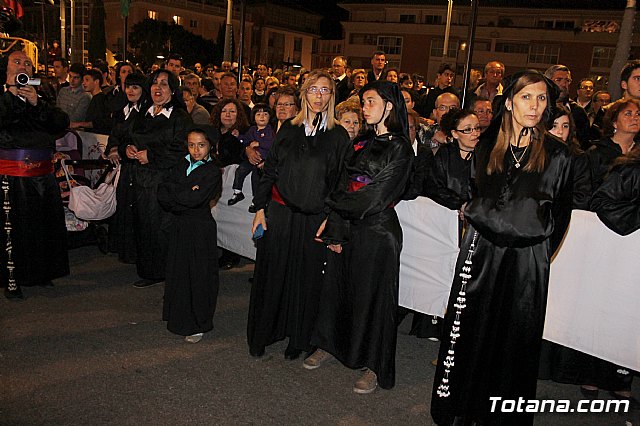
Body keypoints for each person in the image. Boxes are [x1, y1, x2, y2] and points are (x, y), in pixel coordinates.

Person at [430, 70, 573, 425]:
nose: (535, 105)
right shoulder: (486, 146)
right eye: (527, 97)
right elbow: (476, 196)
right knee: (470, 330)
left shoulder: (559, 156)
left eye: (541, 98)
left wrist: (536, 253)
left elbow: (561, 215)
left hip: (528, 259)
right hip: (480, 253)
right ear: (509, 102)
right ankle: (461, 406)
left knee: (516, 338)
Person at [307, 80, 414, 394]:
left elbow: (375, 197)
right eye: (364, 101)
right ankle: (330, 344)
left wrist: (331, 204)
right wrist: (336, 228)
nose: (363, 108)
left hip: (379, 232)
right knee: (336, 288)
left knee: (374, 299)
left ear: (389, 106)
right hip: (349, 227)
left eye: (369, 101)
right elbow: (341, 182)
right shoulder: (362, 141)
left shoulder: (402, 148)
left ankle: (374, 365)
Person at [247, 70, 351, 360]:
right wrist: (259, 209)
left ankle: (299, 339)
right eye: (314, 89)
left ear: (332, 96)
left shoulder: (338, 136)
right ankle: (264, 335)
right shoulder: (287, 130)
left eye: (325, 91)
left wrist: (332, 218)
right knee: (274, 275)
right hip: (280, 214)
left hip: (315, 220)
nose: (319, 96)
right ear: (304, 93)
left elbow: (341, 184)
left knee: (307, 282)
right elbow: (270, 171)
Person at [1, 50, 70, 300]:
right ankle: (12, 279)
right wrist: (11, 95)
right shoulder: (3, 96)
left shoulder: (41, 94)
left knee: (42, 226)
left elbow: (61, 123)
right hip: (11, 176)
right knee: (14, 230)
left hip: (42, 175)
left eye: (27, 64)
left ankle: (40, 273)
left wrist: (36, 103)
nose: (23, 66)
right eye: (17, 62)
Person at [126, 69, 192, 288]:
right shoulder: (145, 111)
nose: (158, 88)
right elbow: (132, 136)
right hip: (142, 177)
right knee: (144, 223)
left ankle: (162, 271)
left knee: (161, 227)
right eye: (155, 83)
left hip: (165, 178)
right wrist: (129, 148)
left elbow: (180, 148)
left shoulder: (180, 117)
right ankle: (147, 268)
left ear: (173, 90)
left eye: (164, 84)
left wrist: (151, 156)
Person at [158, 127, 222, 344]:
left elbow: (195, 200)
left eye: (201, 145)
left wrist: (178, 191)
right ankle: (177, 317)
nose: (196, 150)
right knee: (178, 272)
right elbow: (162, 194)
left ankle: (198, 323)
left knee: (199, 276)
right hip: (179, 226)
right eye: (191, 145)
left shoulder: (212, 170)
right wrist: (186, 190)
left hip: (200, 229)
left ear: (209, 146)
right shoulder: (180, 163)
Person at [104, 72, 149, 265]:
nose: (130, 90)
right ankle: (123, 248)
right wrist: (113, 149)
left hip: (139, 168)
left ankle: (136, 252)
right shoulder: (122, 110)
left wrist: (123, 149)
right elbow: (114, 134)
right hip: (124, 167)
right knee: (123, 206)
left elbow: (139, 139)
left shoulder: (147, 112)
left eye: (135, 87)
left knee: (136, 210)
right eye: (128, 86)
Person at [228, 104, 275, 212]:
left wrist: (259, 143)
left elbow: (272, 144)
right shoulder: (252, 129)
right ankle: (237, 192)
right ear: (253, 117)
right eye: (258, 114)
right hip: (250, 159)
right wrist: (238, 136)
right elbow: (245, 140)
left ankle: (256, 201)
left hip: (262, 160)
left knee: (256, 178)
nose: (262, 117)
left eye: (265, 114)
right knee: (240, 170)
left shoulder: (269, 130)